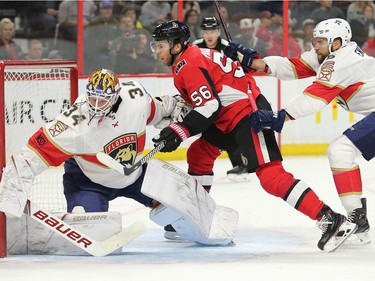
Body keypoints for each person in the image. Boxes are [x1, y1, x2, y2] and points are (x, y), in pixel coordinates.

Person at [150, 19, 356, 252]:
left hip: (248, 114)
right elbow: (213, 97)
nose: (157, 51)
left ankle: (329, 218)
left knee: (271, 177)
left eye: (160, 45)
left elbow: (209, 107)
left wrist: (178, 131)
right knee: (199, 154)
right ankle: (196, 215)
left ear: (176, 46)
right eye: (156, 46)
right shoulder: (194, 55)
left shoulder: (189, 64)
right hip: (227, 116)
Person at [0, 68, 237, 246]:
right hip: (88, 181)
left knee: (178, 215)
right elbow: (29, 157)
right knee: (94, 232)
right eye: (92, 98)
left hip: (134, 174)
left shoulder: (135, 99)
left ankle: (182, 224)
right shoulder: (73, 124)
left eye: (102, 100)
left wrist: (182, 117)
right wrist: (11, 198)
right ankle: (86, 212)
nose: (95, 105)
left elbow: (162, 111)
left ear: (115, 95)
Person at [226, 18, 371, 245]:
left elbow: (314, 97)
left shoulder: (343, 61)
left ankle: (359, 219)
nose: (316, 45)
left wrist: (280, 116)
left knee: (341, 149)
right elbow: (291, 66)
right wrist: (255, 62)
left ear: (338, 42)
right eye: (316, 41)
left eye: (321, 41)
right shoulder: (327, 55)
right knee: (341, 151)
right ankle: (359, 220)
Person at [193, 17, 251, 182]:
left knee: (228, 127)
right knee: (211, 129)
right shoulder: (195, 47)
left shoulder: (227, 47)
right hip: (205, 92)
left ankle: (241, 163)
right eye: (206, 32)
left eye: (212, 31)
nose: (209, 35)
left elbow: (240, 70)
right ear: (202, 33)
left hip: (225, 93)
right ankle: (204, 166)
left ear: (218, 32)